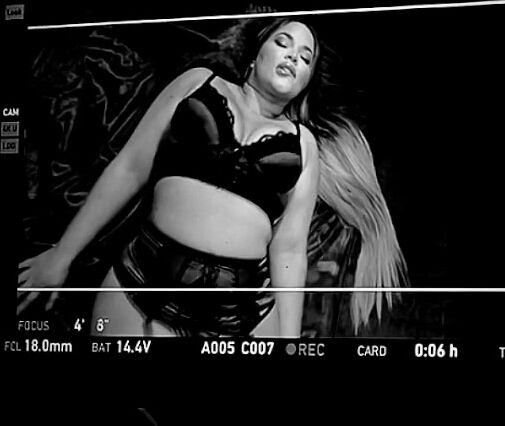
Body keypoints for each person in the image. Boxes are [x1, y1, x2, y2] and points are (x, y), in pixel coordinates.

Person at [16, 17, 407, 337]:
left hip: (236, 314)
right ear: (255, 53)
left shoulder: (304, 144)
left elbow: (289, 249)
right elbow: (131, 166)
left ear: (305, 83)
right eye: (283, 43)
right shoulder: (199, 83)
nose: (293, 57)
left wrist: (288, 345)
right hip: (142, 284)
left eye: (305, 58)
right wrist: (63, 255)